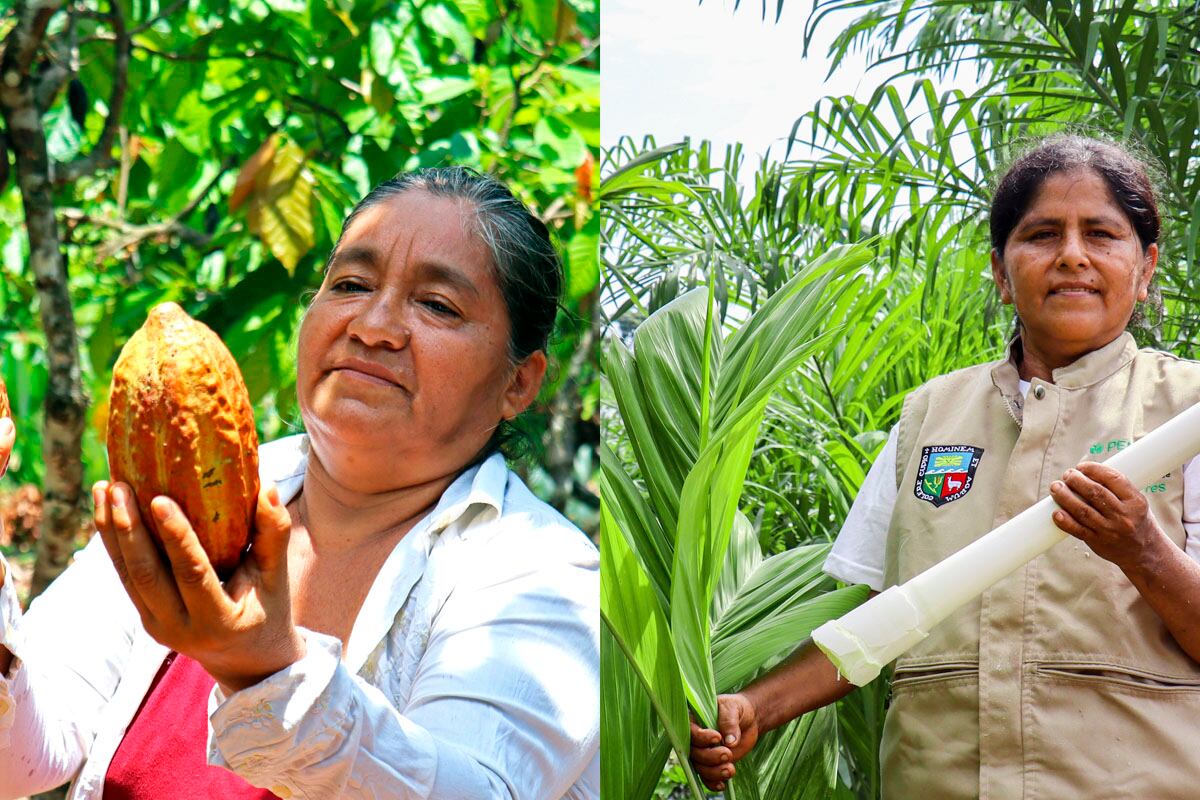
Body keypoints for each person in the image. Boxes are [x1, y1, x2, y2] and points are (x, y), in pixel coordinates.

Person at [0, 166, 599, 799]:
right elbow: (23, 758)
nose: (373, 325)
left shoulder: (545, 575)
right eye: (351, 284)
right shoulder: (200, 489)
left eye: (436, 305)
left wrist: (264, 671)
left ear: (518, 383)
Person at [690, 134, 1200, 798]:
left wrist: (1142, 550)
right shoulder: (929, 418)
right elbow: (874, 618)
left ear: (1145, 266)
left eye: (1101, 235)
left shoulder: (1187, 413)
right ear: (1001, 272)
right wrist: (756, 708)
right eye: (1042, 234)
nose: (1072, 255)